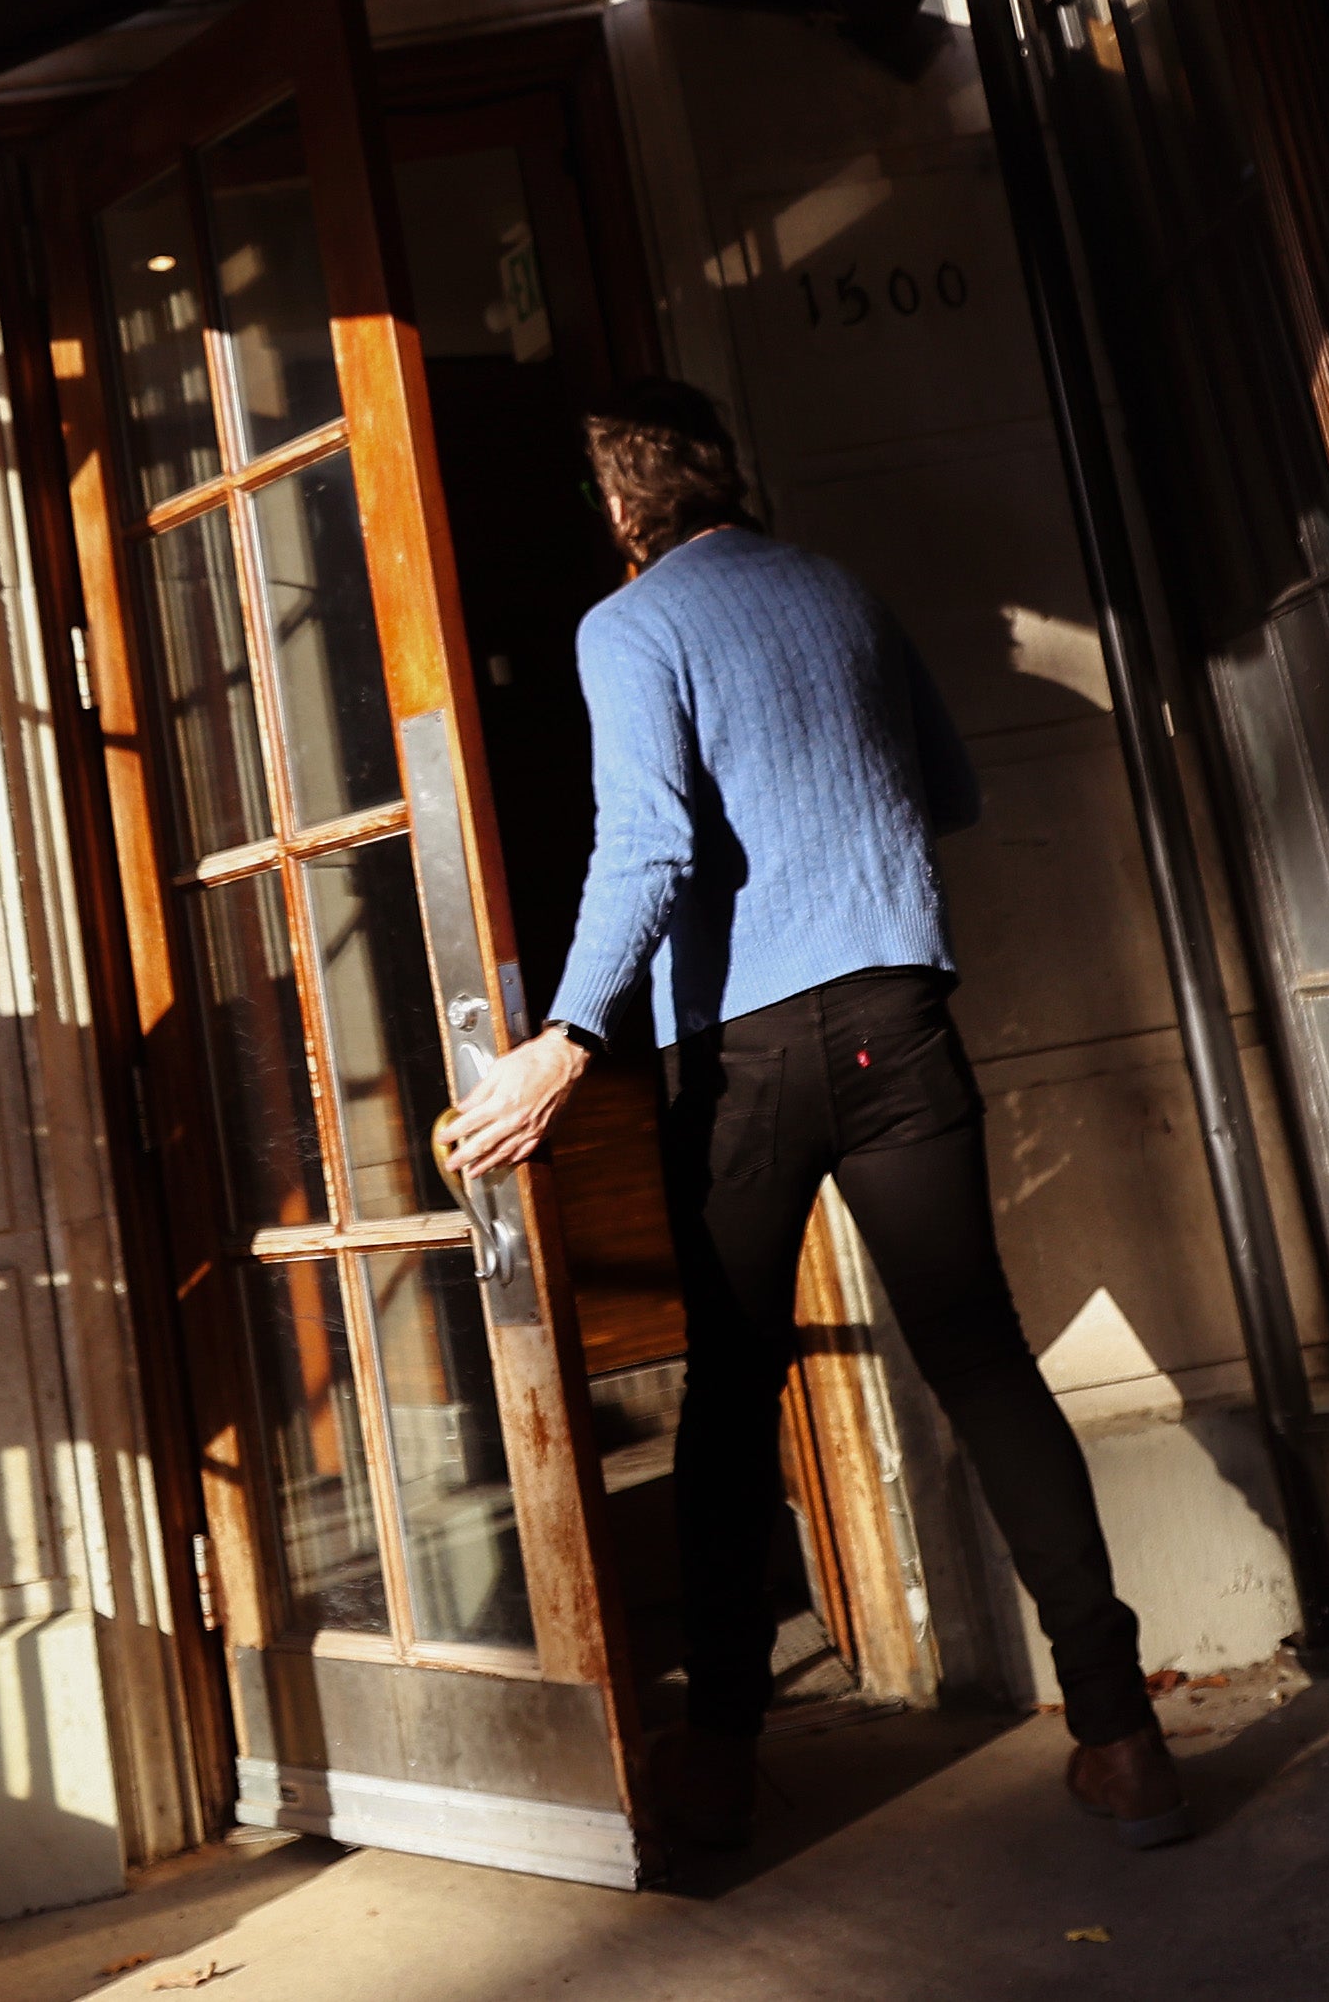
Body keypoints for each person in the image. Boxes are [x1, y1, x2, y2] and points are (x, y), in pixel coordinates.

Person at [434, 380, 1188, 1856]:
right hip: (900, 1019)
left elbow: (649, 843)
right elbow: (948, 791)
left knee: (728, 1391)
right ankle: (1123, 1732)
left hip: (750, 1058)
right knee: (981, 1359)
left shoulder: (626, 627)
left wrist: (562, 1044)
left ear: (616, 511)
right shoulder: (838, 586)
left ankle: (716, 1756)